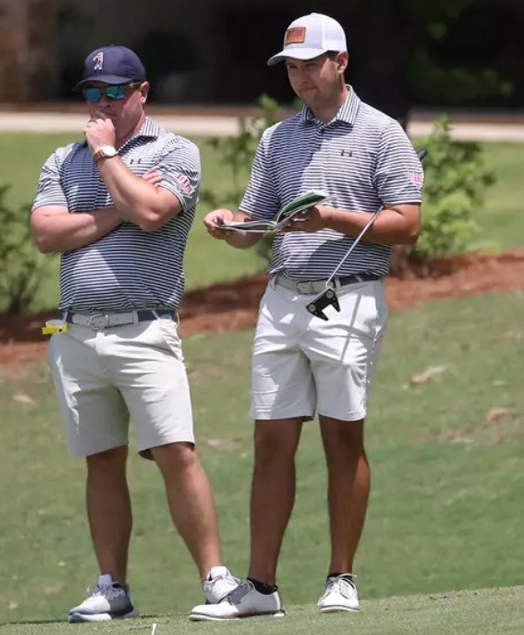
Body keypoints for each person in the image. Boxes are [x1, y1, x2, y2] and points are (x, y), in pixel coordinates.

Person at [189, 13, 424, 620]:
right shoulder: (278, 139)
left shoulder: (382, 133)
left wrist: (334, 218)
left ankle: (341, 577)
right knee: (271, 441)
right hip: (282, 298)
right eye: (290, 67)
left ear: (340, 62)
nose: (299, 78)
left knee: (342, 438)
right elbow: (258, 224)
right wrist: (229, 227)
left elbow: (408, 225)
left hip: (351, 295)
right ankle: (260, 587)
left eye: (309, 65)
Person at [29, 44, 240, 623]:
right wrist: (116, 203)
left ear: (141, 93)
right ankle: (111, 586)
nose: (101, 105)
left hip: (145, 330)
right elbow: (47, 233)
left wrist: (106, 162)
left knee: (176, 452)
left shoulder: (175, 151)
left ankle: (216, 580)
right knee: (101, 461)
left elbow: (155, 212)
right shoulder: (63, 159)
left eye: (113, 94)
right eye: (92, 95)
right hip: (75, 334)